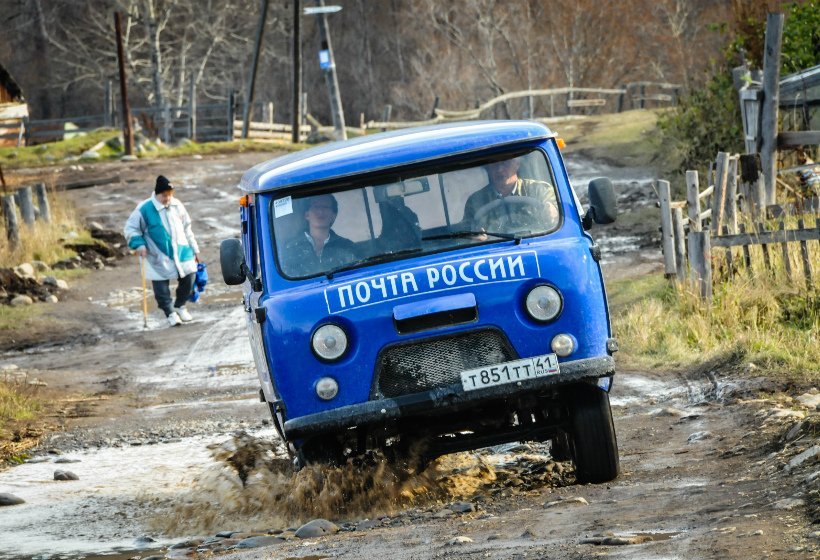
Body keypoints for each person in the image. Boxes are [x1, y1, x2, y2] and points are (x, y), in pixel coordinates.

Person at [124, 175, 200, 327]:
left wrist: (195, 249)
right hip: (156, 254)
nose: (167, 198)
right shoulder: (144, 208)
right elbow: (131, 228)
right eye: (164, 195)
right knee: (161, 287)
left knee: (190, 277)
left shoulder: (177, 205)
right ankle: (170, 312)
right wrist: (139, 244)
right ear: (157, 194)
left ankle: (180, 306)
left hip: (182, 250)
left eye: (170, 195)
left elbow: (187, 228)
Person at [462, 157, 559, 232]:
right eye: (494, 164)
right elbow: (466, 234)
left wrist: (552, 211)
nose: (499, 169)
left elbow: (559, 213)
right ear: (488, 169)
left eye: (505, 163)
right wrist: (476, 237)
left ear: (517, 164)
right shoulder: (476, 201)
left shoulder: (538, 189)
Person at [282, 193, 358, 276]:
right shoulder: (290, 248)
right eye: (316, 207)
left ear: (333, 215)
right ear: (306, 215)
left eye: (325, 207)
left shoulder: (347, 246)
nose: (320, 211)